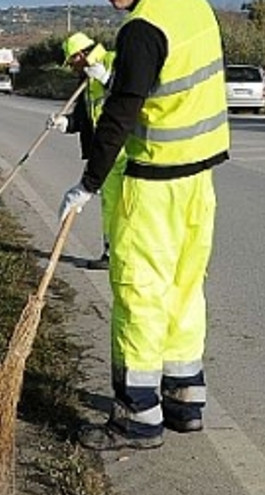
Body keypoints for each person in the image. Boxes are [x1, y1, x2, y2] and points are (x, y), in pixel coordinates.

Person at [57, 0, 230, 450]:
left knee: (139, 293)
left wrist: (89, 182)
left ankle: (137, 416)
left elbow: (123, 111)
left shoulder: (142, 27)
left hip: (154, 183)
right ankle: (184, 401)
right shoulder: (195, 9)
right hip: (199, 180)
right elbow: (160, 83)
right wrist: (109, 77)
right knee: (184, 289)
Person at [48, 32, 127, 270]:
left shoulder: (114, 60)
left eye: (72, 62)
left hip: (128, 149)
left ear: (80, 54)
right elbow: (85, 119)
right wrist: (66, 124)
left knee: (132, 206)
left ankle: (132, 257)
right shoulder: (85, 80)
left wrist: (107, 79)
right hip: (104, 153)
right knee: (110, 205)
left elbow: (134, 93)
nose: (72, 67)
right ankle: (111, 254)